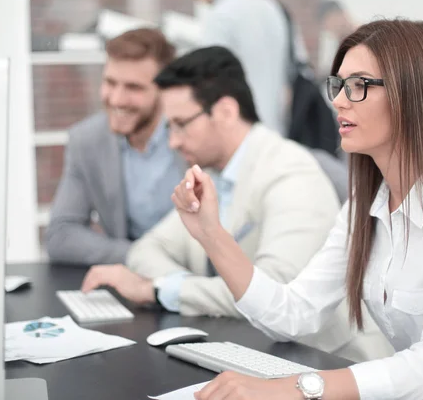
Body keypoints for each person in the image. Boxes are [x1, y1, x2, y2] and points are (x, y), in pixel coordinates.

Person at [171, 19, 423, 400]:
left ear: (413, 94)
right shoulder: (366, 205)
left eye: (359, 85)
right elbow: (293, 314)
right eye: (338, 84)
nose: (337, 100)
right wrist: (210, 233)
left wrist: (297, 389)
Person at [80, 46, 394, 363]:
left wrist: (161, 291)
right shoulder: (213, 175)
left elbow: (272, 292)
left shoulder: (289, 172)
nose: (173, 141)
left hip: (329, 363)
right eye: (169, 127)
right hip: (255, 350)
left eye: (181, 124)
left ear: (227, 112)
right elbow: (145, 250)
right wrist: (189, 289)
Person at [45, 28, 185, 266]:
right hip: (130, 275)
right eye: (110, 83)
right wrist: (139, 257)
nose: (117, 99)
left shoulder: (193, 136)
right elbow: (61, 234)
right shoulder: (87, 140)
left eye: (133, 88)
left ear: (164, 90)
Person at [187, 0, 301, 136]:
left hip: (238, 133)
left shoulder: (221, 15)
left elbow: (209, 82)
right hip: (276, 131)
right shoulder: (271, 7)